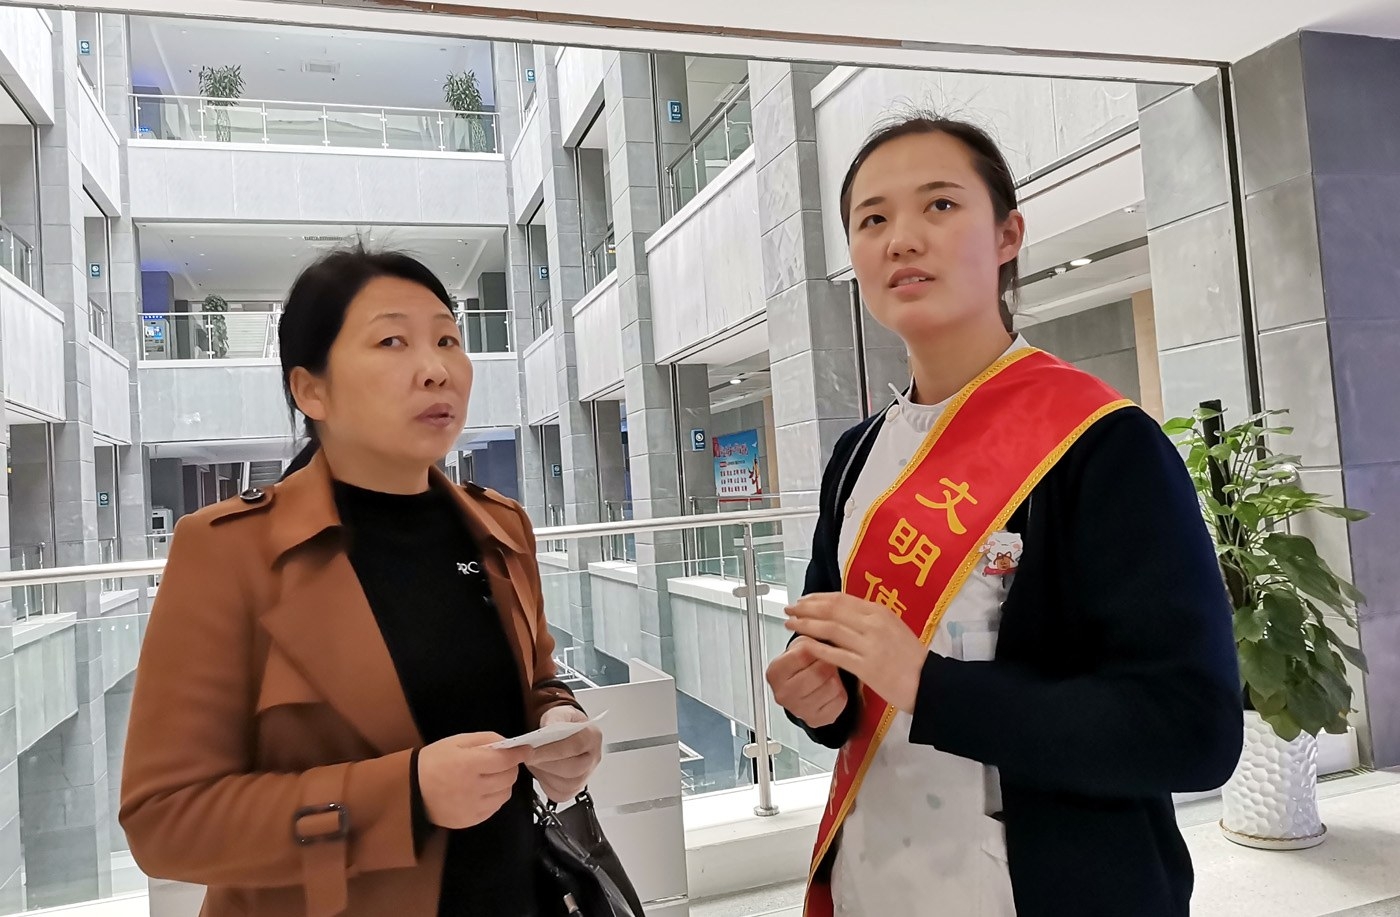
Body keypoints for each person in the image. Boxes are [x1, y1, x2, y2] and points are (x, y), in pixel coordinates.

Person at [765, 115, 1242, 917]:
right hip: (871, 887)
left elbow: (1192, 730)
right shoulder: (855, 457)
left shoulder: (1106, 444)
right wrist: (820, 696)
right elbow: (841, 665)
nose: (901, 238)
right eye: (872, 219)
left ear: (1008, 235)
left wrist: (929, 685)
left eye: (940, 204)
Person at [120, 246, 602, 917]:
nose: (436, 369)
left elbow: (536, 679)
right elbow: (165, 819)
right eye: (391, 342)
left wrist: (557, 720)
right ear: (310, 390)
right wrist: (404, 796)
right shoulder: (229, 552)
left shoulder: (500, 526)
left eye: (447, 339)